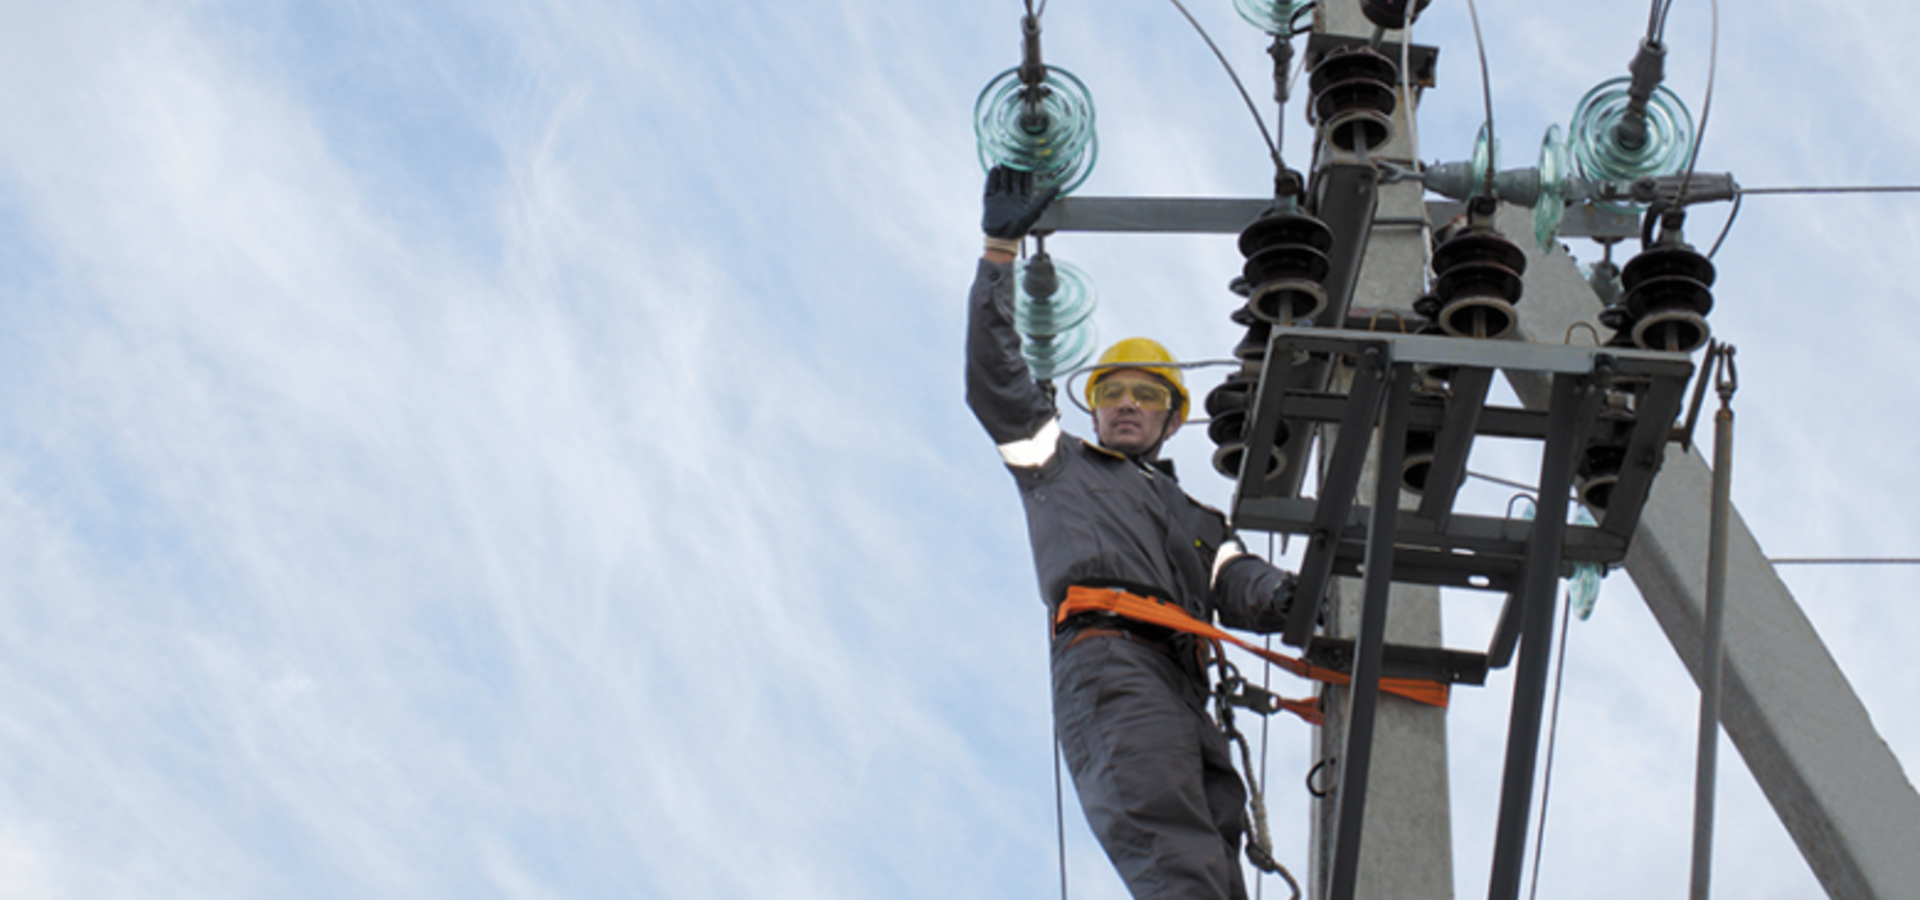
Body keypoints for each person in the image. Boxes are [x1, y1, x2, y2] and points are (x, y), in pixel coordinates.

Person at [966, 166, 1301, 900]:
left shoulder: (1199, 521)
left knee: (1219, 858)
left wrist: (1298, 599)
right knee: (1175, 863)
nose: (1124, 405)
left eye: (1144, 395)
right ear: (1091, 409)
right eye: (1110, 392)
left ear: (1172, 417)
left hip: (1183, 683)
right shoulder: (1057, 462)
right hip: (1111, 662)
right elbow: (993, 380)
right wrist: (999, 253)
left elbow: (1242, 584)